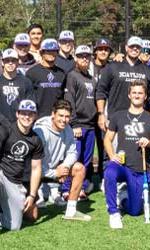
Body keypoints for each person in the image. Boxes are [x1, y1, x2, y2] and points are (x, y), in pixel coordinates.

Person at [103, 80, 150, 229]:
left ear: (145, 96)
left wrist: (149, 143)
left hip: (139, 169)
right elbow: (107, 139)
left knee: (135, 211)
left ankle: (124, 198)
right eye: (134, 92)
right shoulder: (118, 116)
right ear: (129, 95)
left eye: (140, 93)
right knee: (109, 173)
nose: (137, 95)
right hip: (121, 164)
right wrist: (112, 156)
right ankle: (113, 213)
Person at [33, 99, 91, 221]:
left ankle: (71, 211)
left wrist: (65, 166)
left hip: (56, 169)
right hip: (35, 172)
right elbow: (34, 165)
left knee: (79, 168)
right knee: (30, 216)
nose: (64, 120)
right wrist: (55, 173)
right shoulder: (40, 131)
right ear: (53, 114)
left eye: (67, 116)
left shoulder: (68, 129)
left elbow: (73, 152)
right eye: (60, 115)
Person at [96, 35, 150, 135]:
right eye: (132, 46)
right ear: (126, 47)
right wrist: (101, 114)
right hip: (114, 121)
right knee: (112, 150)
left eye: (138, 47)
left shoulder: (148, 71)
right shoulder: (112, 67)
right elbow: (101, 92)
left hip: (139, 123)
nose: (134, 48)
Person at [0, 100, 43, 230]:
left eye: (30, 114)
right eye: (23, 113)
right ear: (17, 114)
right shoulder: (6, 130)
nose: (27, 117)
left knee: (14, 226)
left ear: (35, 116)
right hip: (1, 172)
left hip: (14, 180)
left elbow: (36, 169)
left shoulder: (36, 140)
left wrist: (32, 195)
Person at [63, 45, 96, 199]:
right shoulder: (72, 76)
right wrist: (74, 124)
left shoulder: (91, 78)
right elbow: (69, 102)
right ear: (75, 57)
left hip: (90, 125)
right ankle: (66, 188)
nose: (84, 58)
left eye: (87, 56)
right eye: (81, 56)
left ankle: (80, 188)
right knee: (73, 158)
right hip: (78, 125)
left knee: (86, 160)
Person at [89, 38, 113, 191]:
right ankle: (89, 179)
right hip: (87, 114)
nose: (103, 51)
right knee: (88, 149)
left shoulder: (112, 68)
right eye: (100, 48)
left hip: (104, 113)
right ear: (95, 51)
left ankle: (105, 178)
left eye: (106, 49)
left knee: (105, 147)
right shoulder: (88, 66)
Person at [26, 38, 66, 118]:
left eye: (54, 51)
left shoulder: (62, 73)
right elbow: (28, 97)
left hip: (56, 118)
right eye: (48, 51)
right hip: (37, 118)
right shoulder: (32, 72)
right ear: (42, 53)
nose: (51, 53)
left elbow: (63, 97)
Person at [0, 48, 34, 122]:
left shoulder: (26, 82)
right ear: (2, 62)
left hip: (19, 124)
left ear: (18, 62)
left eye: (13, 60)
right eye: (7, 60)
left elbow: (30, 105)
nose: (10, 63)